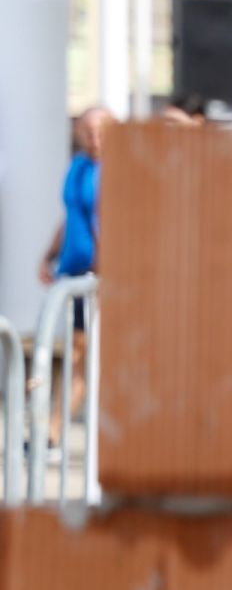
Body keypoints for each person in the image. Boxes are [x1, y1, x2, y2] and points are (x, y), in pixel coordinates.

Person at [38, 106, 113, 447]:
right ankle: (52, 431)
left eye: (101, 130)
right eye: (88, 131)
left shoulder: (118, 170)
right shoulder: (78, 167)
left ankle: (52, 430)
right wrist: (49, 255)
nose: (94, 138)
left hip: (101, 279)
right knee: (78, 353)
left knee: (81, 354)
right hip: (74, 274)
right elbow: (70, 217)